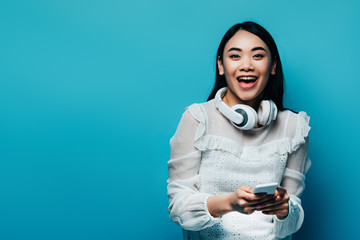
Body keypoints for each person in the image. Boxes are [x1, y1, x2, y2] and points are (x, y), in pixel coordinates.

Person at [167, 21, 311, 240]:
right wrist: (228, 203)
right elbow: (178, 207)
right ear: (221, 66)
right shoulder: (197, 118)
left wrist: (284, 208)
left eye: (258, 56)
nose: (246, 65)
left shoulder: (294, 126)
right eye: (235, 56)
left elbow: (292, 218)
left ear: (272, 66)